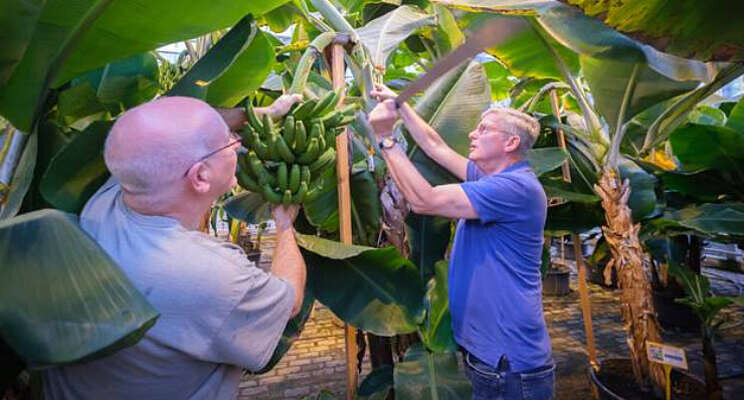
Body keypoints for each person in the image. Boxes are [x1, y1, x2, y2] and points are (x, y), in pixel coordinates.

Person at [42, 94, 306, 400]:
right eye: (228, 142)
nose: (237, 143)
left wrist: (265, 113)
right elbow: (291, 301)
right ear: (200, 177)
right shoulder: (211, 276)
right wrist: (285, 224)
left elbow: (163, 132)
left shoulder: (111, 195)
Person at [368, 85, 554, 400]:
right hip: (489, 355)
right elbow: (435, 145)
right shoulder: (488, 178)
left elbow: (424, 200)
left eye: (484, 129)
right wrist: (400, 106)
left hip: (508, 363)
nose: (472, 133)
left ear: (510, 142)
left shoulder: (514, 188)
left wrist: (385, 139)